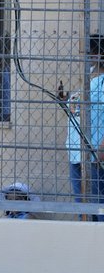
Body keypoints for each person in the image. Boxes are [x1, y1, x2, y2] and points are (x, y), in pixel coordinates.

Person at [60, 34, 104, 217]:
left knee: (99, 208)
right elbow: (78, 113)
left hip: (96, 154)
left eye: (88, 53)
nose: (85, 58)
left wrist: (101, 149)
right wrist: (64, 101)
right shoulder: (91, 83)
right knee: (82, 209)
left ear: (99, 54)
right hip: (77, 153)